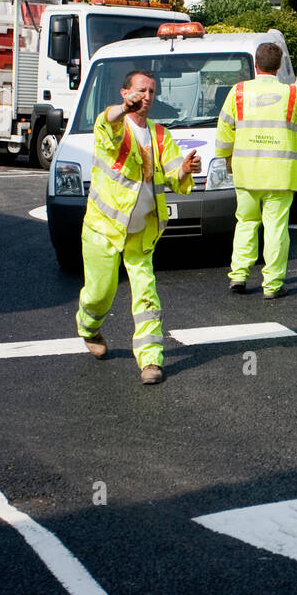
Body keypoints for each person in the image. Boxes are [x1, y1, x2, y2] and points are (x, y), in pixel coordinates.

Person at [76, 69, 200, 386]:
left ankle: (150, 361)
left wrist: (185, 169)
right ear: (125, 92)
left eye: (151, 92)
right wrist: (124, 110)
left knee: (146, 297)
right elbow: (107, 120)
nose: (146, 97)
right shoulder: (115, 128)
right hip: (103, 229)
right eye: (140, 91)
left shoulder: (160, 135)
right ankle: (89, 327)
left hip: (141, 233)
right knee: (99, 295)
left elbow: (175, 177)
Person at [215, 42, 297, 300]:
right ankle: (271, 284)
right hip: (280, 174)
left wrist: (225, 158)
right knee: (275, 228)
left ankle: (238, 274)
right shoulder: (292, 94)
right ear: (279, 66)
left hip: (246, 172)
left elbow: (225, 129)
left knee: (246, 222)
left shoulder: (238, 92)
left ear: (255, 64)